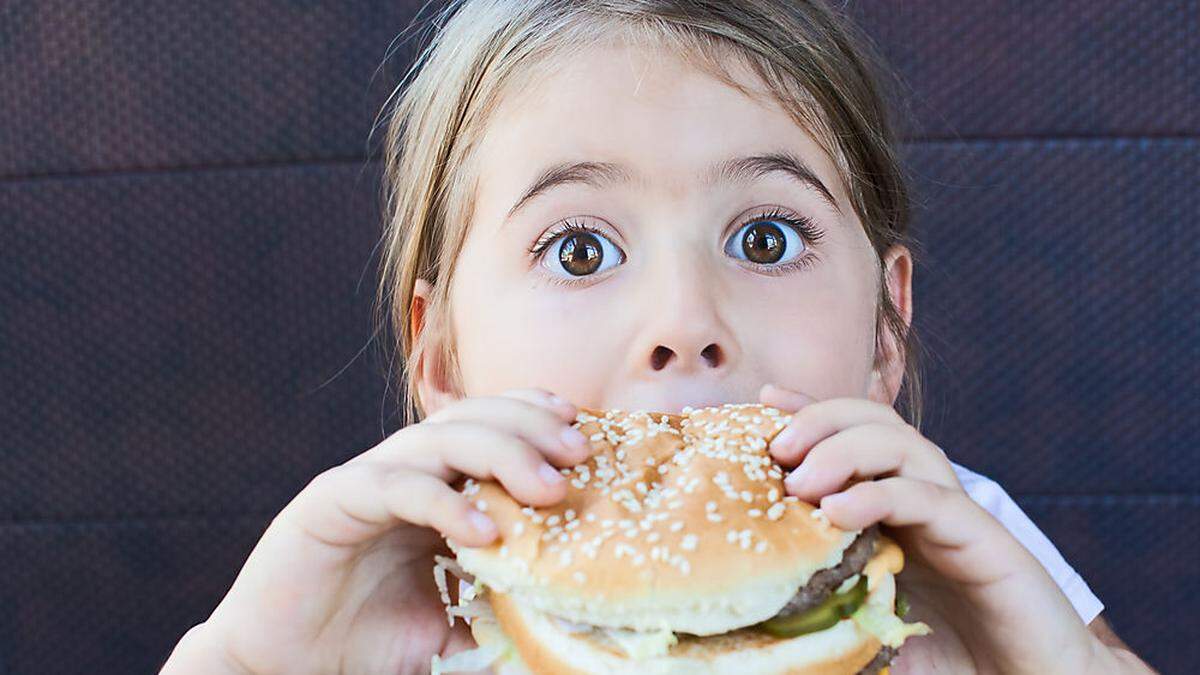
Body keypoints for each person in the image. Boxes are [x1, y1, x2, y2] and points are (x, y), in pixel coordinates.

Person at [160, 0, 1157, 672]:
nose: (686, 323)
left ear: (886, 333)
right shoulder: (394, 587)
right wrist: (247, 658)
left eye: (766, 238)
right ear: (443, 360)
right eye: (581, 251)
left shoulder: (957, 541)